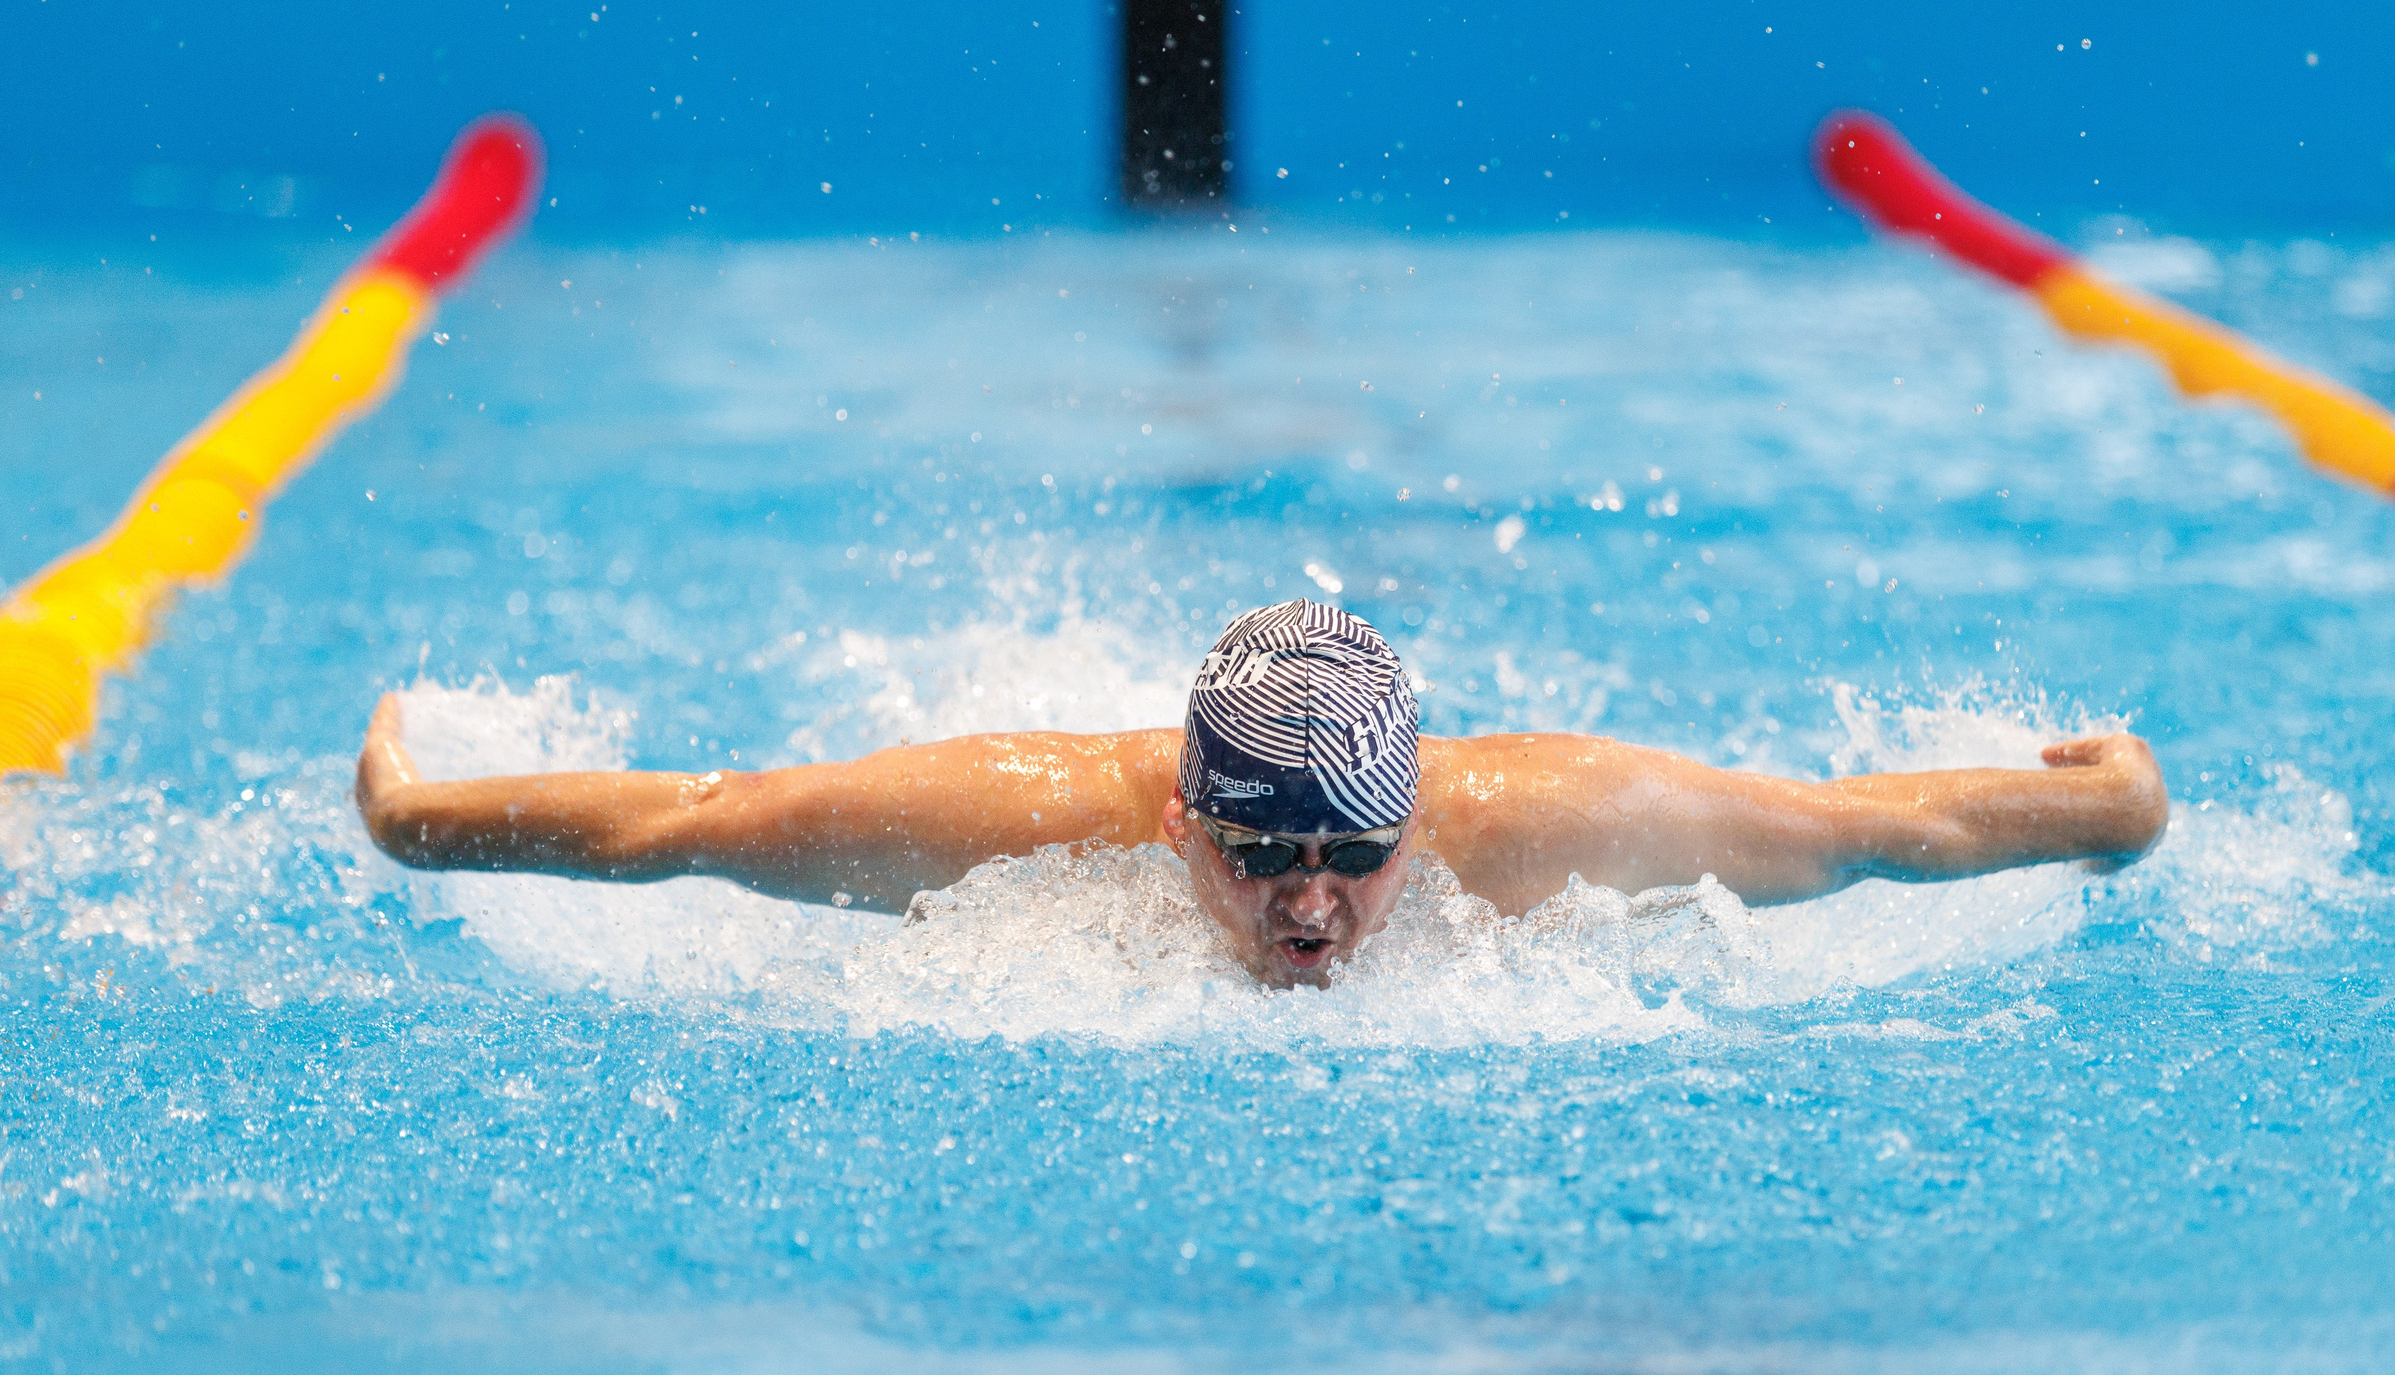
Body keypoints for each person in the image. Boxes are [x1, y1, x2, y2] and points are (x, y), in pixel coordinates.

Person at [355, 600, 2168, 987]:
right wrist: (414, 820)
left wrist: (2118, 810)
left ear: (1417, 825)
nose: (1312, 905)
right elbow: (690, 823)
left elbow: (1868, 827)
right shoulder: (1026, 826)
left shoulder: (1539, 832)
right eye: (1264, 855)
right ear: (1178, 824)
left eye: (1355, 860)